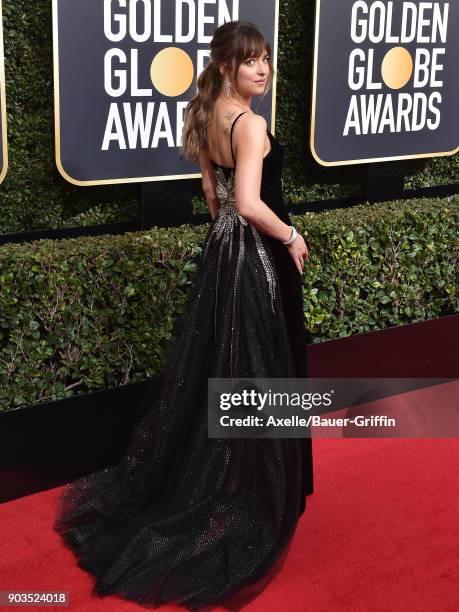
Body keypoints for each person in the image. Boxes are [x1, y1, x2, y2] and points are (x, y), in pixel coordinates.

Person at [53, 20, 314, 611]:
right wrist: (292, 235)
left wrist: (232, 238)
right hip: (257, 260)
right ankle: (259, 490)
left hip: (222, 258)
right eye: (251, 62)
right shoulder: (249, 124)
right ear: (226, 67)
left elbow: (215, 200)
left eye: (266, 60)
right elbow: (248, 204)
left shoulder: (202, 116)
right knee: (259, 373)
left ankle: (218, 476)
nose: (263, 70)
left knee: (217, 374)